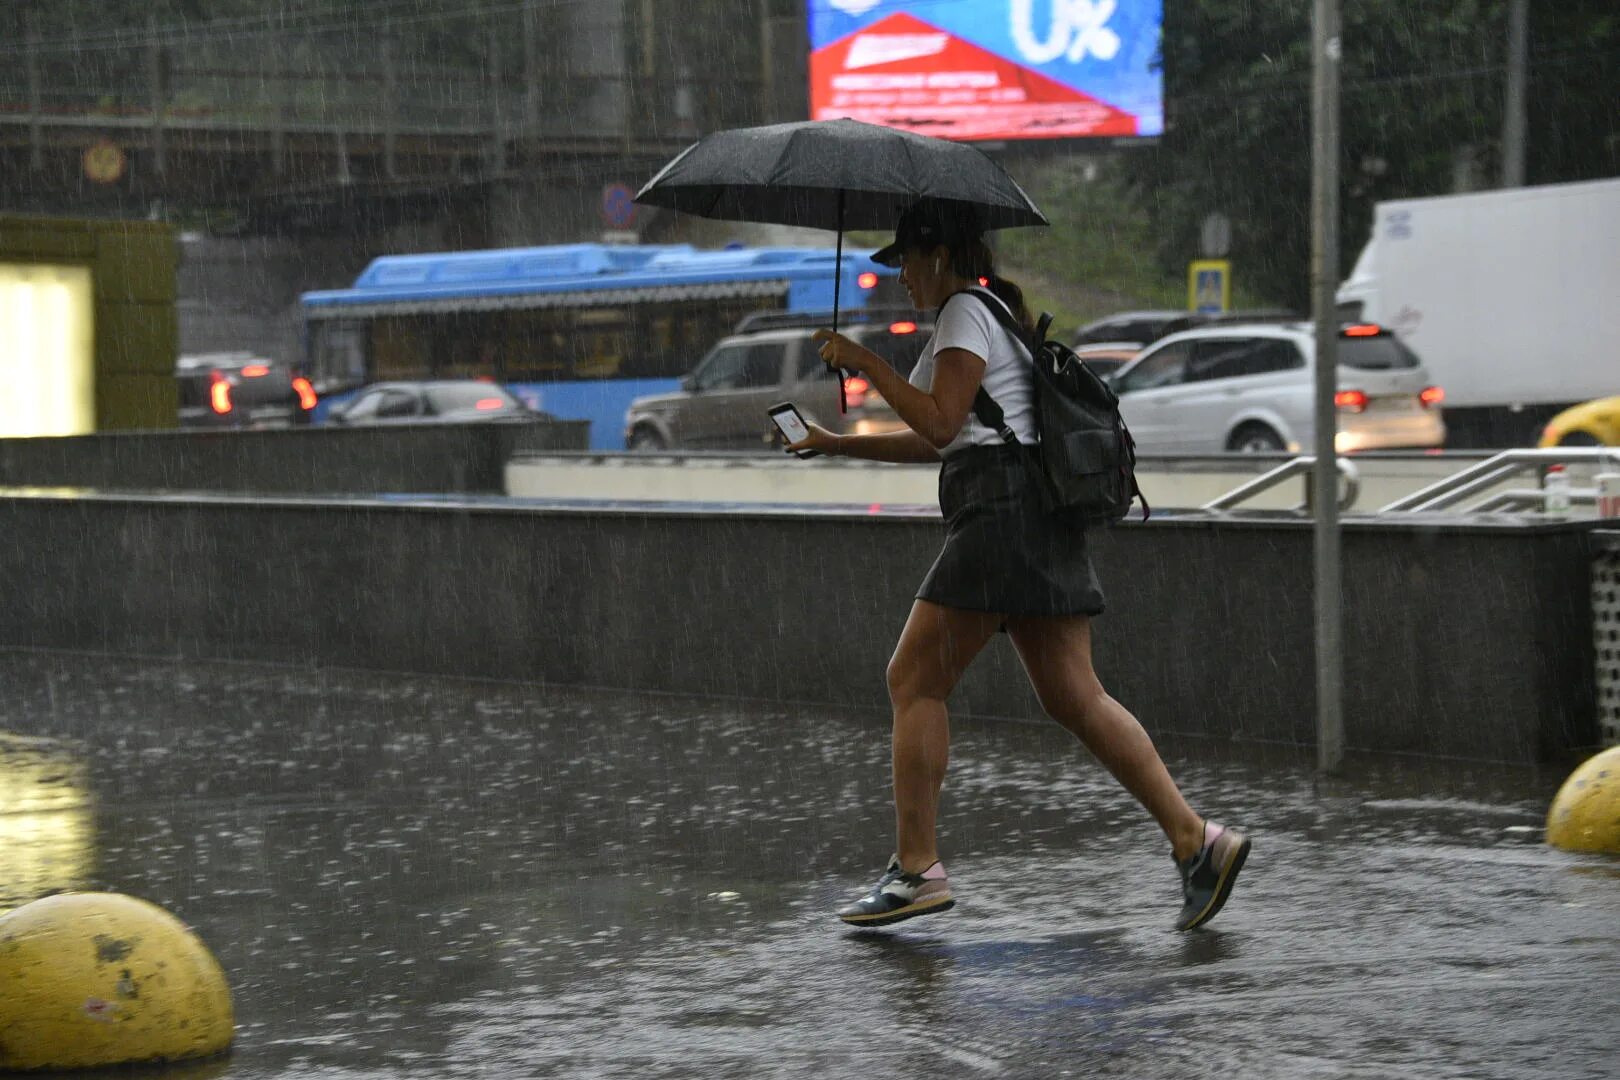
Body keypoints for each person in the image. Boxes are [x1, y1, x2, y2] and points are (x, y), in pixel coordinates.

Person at [787, 200, 1250, 931]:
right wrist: (834, 443)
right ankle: (1199, 843)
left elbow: (941, 423)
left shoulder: (967, 312)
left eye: (905, 260)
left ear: (938, 255)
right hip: (1038, 518)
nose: (901, 275)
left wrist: (866, 362)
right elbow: (944, 435)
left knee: (913, 679)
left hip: (1000, 517)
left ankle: (916, 870)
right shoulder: (982, 316)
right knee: (1076, 697)